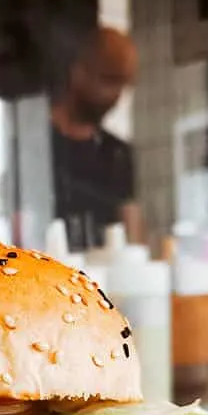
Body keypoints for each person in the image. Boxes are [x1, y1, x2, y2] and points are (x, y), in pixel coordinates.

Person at [50, 26, 142, 251]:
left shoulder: (117, 153)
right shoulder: (38, 145)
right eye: (108, 82)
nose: (114, 96)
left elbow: (133, 235)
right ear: (79, 72)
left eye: (121, 86)